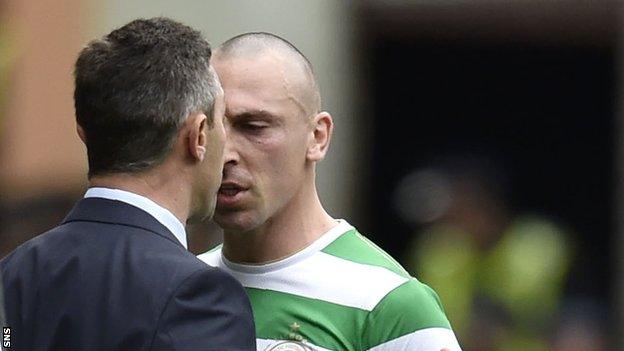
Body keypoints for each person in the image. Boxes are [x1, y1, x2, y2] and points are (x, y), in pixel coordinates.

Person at [1, 17, 255, 351]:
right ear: (198, 136)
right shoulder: (199, 297)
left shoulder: (13, 274)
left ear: (84, 133)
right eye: (223, 121)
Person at [199, 32, 461, 351]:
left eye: (254, 127)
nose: (225, 153)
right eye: (211, 128)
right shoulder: (178, 286)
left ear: (317, 137)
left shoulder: (389, 304)